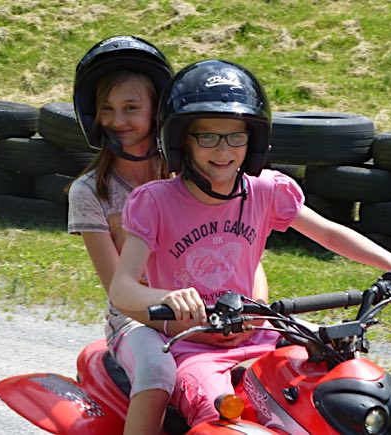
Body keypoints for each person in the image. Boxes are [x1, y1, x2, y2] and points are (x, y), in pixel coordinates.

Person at [109, 59, 391, 427]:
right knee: (220, 414)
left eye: (236, 136)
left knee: (337, 376)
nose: (223, 149)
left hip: (260, 332)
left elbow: (328, 232)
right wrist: (164, 298)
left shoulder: (266, 190)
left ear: (254, 140)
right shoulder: (156, 202)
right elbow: (122, 288)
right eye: (207, 137)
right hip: (192, 345)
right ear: (182, 140)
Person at [68, 36, 271, 435]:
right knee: (157, 372)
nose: (118, 120)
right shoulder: (90, 191)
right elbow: (118, 290)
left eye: (131, 108)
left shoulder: (194, 166)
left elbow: (241, 251)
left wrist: (254, 306)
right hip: (140, 317)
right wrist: (179, 315)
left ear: (157, 113)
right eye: (107, 109)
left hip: (215, 307)